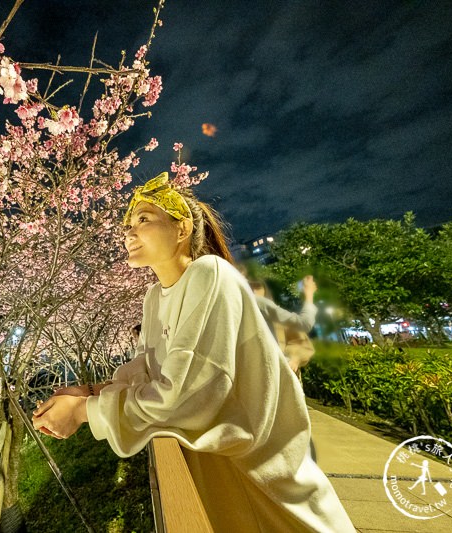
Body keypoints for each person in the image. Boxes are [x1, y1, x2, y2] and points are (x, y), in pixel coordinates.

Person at [32, 172, 354, 531]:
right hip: (221, 467)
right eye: (126, 224)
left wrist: (84, 411)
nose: (128, 232)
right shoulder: (154, 297)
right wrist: (91, 392)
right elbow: (150, 371)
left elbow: (187, 391)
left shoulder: (210, 273)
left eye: (143, 219)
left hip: (260, 469)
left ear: (181, 229)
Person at [249, 277, 317, 374]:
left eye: (257, 286)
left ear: (265, 291)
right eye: (249, 286)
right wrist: (309, 295)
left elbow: (302, 342)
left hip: (277, 372)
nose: (253, 291)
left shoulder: (275, 316)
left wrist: (294, 358)